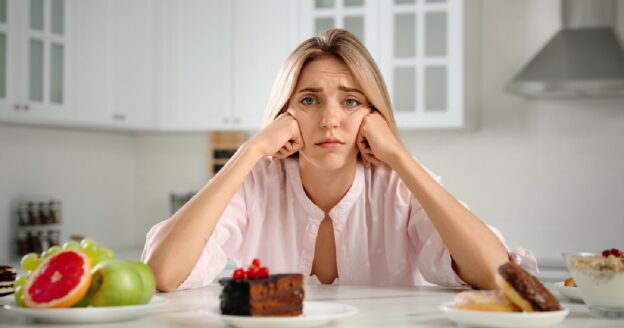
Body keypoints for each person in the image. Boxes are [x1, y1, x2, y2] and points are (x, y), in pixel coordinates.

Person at [142, 29, 535, 292]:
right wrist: (251, 151)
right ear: (285, 113)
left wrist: (398, 155)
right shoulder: (257, 182)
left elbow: (496, 274)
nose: (330, 120)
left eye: (350, 101)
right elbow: (161, 273)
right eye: (309, 100)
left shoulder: (398, 184)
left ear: (373, 114)